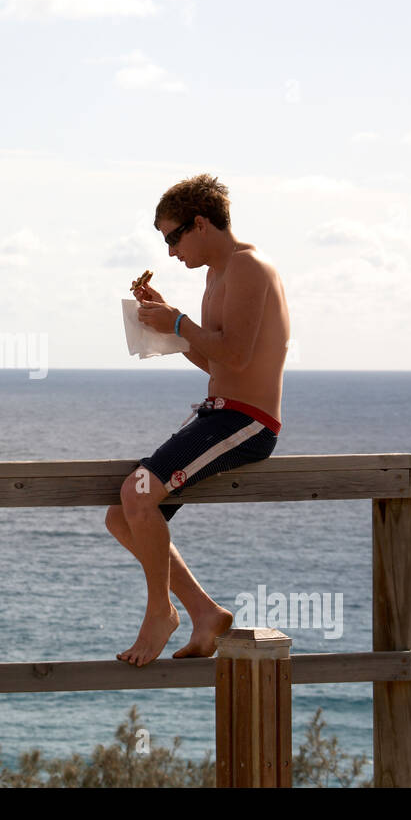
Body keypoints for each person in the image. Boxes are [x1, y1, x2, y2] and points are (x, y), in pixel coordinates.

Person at [107, 174, 290, 667]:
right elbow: (216, 364)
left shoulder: (249, 267)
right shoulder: (218, 275)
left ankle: (159, 613)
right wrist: (165, 325)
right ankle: (204, 613)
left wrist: (178, 322)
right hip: (219, 415)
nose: (170, 251)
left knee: (137, 495)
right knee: (122, 514)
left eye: (173, 236)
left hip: (248, 423)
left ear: (202, 223)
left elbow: (235, 353)